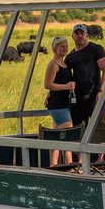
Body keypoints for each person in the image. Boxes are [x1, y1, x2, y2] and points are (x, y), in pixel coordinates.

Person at [64, 24, 105, 128]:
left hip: (94, 97)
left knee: (100, 130)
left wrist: (101, 91)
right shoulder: (69, 57)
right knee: (79, 130)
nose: (79, 36)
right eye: (77, 34)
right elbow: (64, 77)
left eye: (82, 33)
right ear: (73, 36)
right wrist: (51, 93)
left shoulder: (96, 49)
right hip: (78, 99)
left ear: (87, 35)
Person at [43, 36, 76, 165]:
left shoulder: (64, 63)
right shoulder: (53, 65)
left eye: (66, 46)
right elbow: (48, 84)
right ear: (54, 49)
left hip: (64, 104)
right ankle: (70, 166)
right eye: (62, 46)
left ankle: (53, 165)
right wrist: (66, 86)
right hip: (58, 105)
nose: (65, 48)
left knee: (57, 137)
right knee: (68, 135)